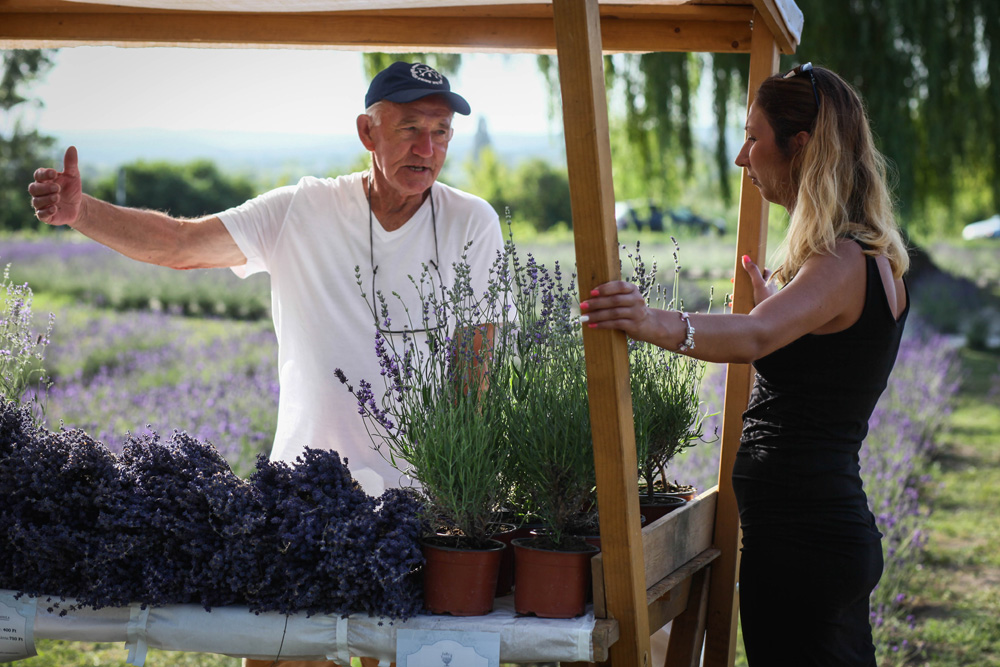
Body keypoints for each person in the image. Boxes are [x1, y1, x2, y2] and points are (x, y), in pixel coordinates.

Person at [29, 61, 504, 667]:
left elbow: (474, 373)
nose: (427, 146)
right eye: (410, 127)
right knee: (281, 657)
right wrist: (80, 213)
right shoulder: (302, 210)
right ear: (367, 132)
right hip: (304, 496)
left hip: (421, 502)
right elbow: (181, 245)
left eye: (441, 131)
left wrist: (455, 498)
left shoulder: (472, 222)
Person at [580, 63, 909, 666]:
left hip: (805, 542)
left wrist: (651, 321)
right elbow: (821, 372)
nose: (741, 156)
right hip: (816, 536)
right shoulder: (864, 254)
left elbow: (755, 336)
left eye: (755, 137)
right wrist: (783, 324)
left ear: (800, 146)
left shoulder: (841, 258)